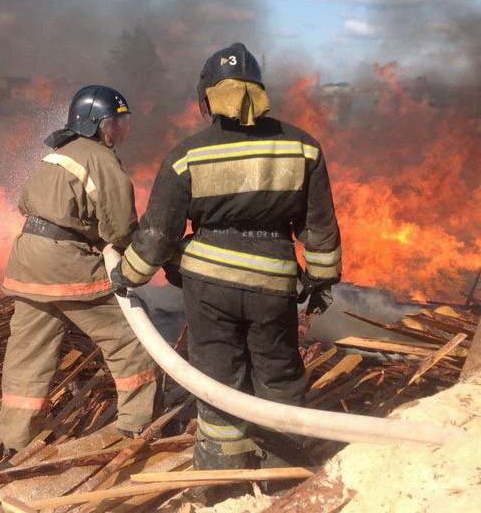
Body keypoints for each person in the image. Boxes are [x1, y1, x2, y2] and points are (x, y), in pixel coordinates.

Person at [111, 43, 341, 474]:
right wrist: (321, 279)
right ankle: (283, 474)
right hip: (272, 285)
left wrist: (127, 275)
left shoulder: (187, 155)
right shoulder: (303, 148)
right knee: (278, 377)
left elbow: (159, 234)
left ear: (208, 98)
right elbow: (318, 225)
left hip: (209, 289)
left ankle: (222, 479)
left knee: (218, 380)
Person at [0, 84, 160, 453]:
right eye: (115, 124)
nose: (120, 132)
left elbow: (26, 204)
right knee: (130, 338)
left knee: (28, 353)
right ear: (95, 124)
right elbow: (119, 228)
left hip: (26, 257)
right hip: (64, 261)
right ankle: (139, 427)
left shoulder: (56, 155)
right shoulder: (100, 158)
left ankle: (15, 441)